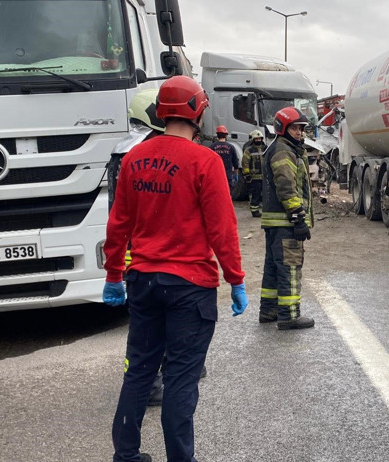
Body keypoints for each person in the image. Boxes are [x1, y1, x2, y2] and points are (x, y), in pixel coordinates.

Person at [103, 75, 248, 462]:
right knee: (181, 378)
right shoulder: (205, 161)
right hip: (189, 287)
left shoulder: (134, 160)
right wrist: (235, 280)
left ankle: (127, 455)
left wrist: (114, 275)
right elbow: (222, 229)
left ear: (161, 112)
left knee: (139, 370)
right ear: (197, 111)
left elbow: (118, 224)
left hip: (143, 282)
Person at [259, 107, 315, 330]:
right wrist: (298, 218)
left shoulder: (279, 147)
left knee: (273, 268)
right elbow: (286, 187)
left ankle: (269, 310)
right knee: (290, 268)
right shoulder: (284, 151)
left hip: (274, 222)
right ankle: (289, 315)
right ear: (282, 128)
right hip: (286, 222)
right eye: (294, 128)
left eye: (301, 129)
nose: (299, 133)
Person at [242, 129, 266, 217]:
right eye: (256, 139)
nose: (258, 140)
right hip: (254, 177)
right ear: (253, 140)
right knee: (255, 194)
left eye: (259, 139)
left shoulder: (265, 148)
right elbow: (245, 163)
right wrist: (247, 174)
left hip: (265, 176)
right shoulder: (249, 150)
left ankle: (265, 209)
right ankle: (254, 210)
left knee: (266, 194)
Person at [210, 125, 240, 189]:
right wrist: (236, 175)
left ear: (217, 135)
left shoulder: (212, 147)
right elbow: (235, 163)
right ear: (226, 135)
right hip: (227, 176)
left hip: (216, 176)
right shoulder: (231, 147)